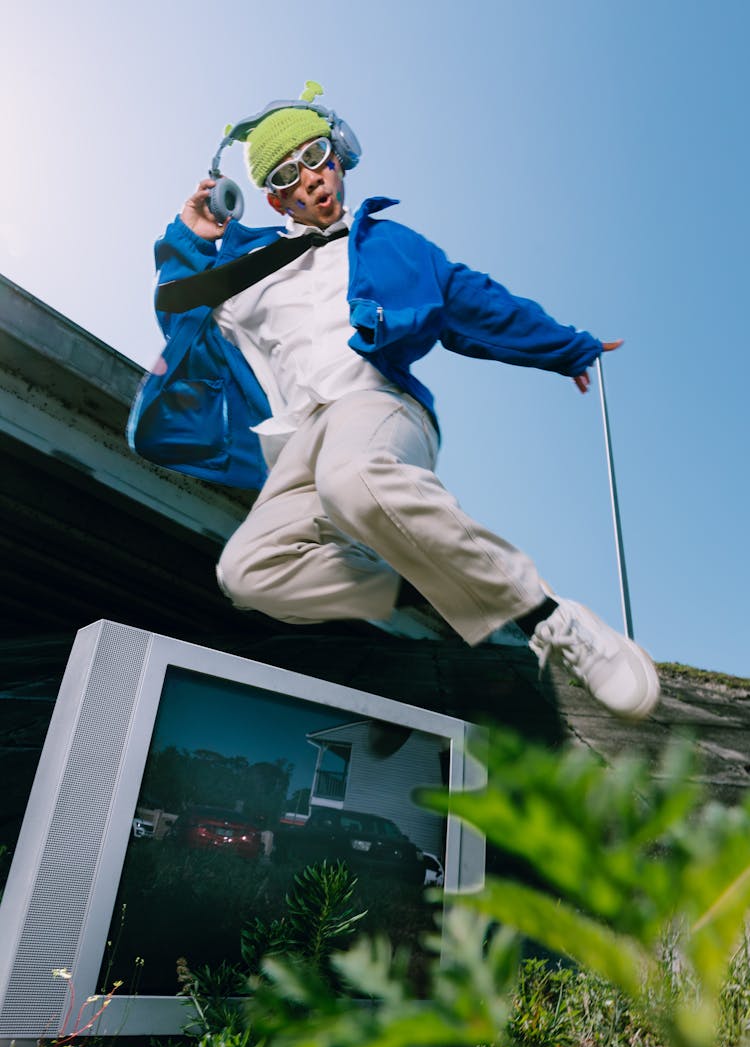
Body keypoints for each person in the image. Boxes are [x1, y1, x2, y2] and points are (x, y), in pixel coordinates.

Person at [142, 81, 660, 721]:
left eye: (316, 158)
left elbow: (479, 302)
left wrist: (565, 347)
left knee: (354, 476)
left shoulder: (391, 245)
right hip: (300, 442)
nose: (309, 180)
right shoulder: (250, 270)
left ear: (339, 157)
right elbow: (179, 314)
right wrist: (190, 238)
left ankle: (551, 619)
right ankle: (425, 578)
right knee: (248, 573)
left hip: (376, 405)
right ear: (274, 197)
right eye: (286, 175)